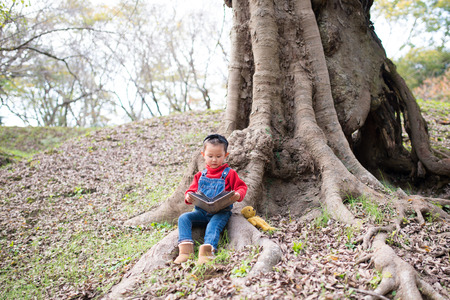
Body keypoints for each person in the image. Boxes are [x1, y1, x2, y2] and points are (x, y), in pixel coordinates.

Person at [174, 134, 247, 265]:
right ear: (203, 154)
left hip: (221, 212)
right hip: (201, 212)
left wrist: (237, 194)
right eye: (210, 156)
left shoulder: (229, 173)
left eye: (219, 156)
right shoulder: (200, 175)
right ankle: (185, 251)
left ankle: (207, 251)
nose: (214, 160)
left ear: (225, 155)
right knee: (183, 218)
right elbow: (191, 190)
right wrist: (188, 197)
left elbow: (242, 187)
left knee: (213, 227)